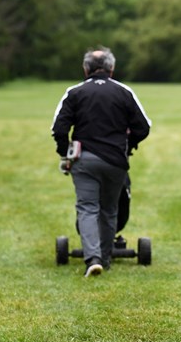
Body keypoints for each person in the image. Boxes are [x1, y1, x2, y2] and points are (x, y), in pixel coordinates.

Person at [51, 47, 152, 277]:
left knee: (87, 208)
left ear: (85, 69)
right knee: (109, 209)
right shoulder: (124, 92)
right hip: (116, 160)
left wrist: (64, 152)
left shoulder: (74, 92)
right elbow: (144, 127)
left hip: (84, 159)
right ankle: (105, 259)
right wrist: (129, 145)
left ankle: (92, 258)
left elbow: (58, 129)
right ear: (112, 68)